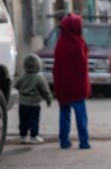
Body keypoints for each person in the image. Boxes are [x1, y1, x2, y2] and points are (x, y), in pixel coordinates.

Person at [53, 13, 91, 149]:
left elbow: (57, 66)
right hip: (77, 87)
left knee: (64, 115)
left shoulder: (60, 42)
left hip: (63, 86)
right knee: (81, 116)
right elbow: (83, 64)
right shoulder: (78, 43)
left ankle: (64, 141)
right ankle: (84, 142)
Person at [14, 54, 53, 144]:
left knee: (23, 121)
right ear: (38, 65)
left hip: (22, 104)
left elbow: (15, 87)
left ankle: (23, 136)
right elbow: (45, 90)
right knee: (34, 121)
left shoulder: (22, 76)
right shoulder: (39, 78)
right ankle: (33, 136)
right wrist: (49, 99)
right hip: (34, 104)